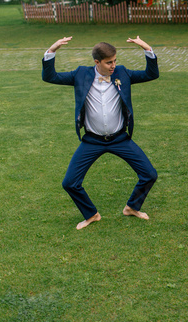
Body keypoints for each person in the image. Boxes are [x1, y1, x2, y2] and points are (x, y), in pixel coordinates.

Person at [42, 36, 159, 230]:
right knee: (70, 183)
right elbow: (50, 77)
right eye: (109, 62)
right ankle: (91, 214)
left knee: (149, 174)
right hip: (92, 141)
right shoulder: (81, 74)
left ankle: (132, 207)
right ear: (97, 62)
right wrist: (51, 50)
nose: (114, 65)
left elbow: (151, 74)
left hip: (120, 138)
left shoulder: (122, 73)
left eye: (115, 61)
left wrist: (147, 49)